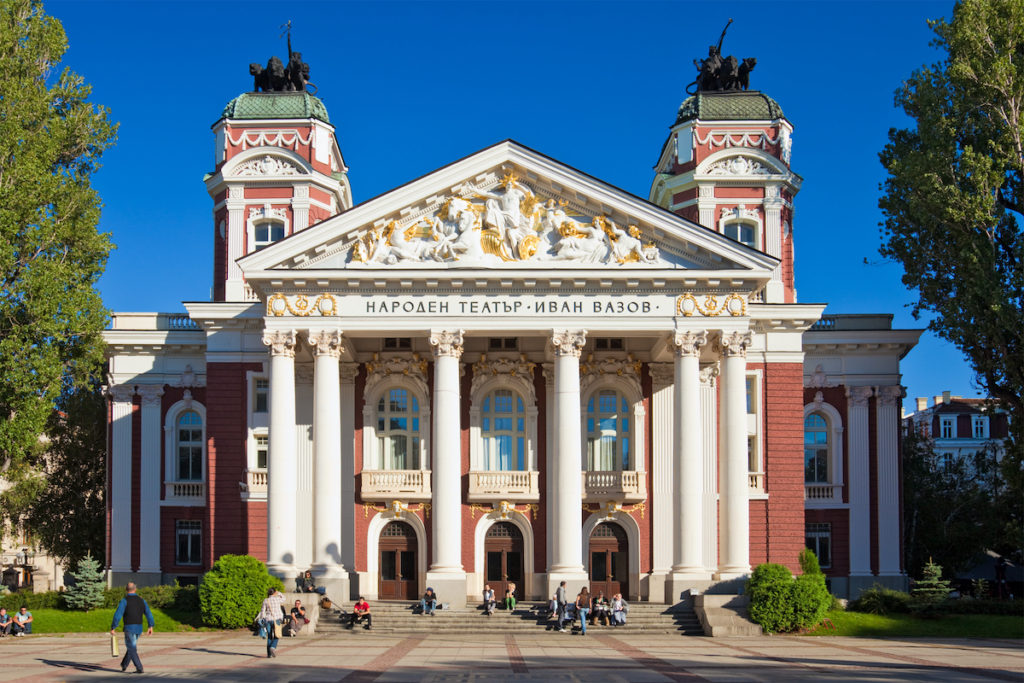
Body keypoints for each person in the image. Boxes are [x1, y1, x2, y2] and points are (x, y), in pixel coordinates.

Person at [110, 582, 155, 673]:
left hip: (129, 628)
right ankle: (124, 664)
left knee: (132, 647)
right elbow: (148, 614)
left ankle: (139, 667)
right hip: (139, 628)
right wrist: (151, 625)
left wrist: (113, 626)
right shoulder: (142, 600)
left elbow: (118, 615)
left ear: (126, 590)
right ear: (135, 589)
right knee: (131, 647)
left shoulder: (124, 600)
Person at [256, 587, 285, 658]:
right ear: (274, 592)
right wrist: (279, 593)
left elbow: (263, 611)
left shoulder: (266, 600)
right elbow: (284, 598)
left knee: (269, 636)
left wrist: (263, 619)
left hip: (268, 619)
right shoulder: (277, 599)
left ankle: (269, 654)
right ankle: (273, 647)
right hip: (276, 619)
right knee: (277, 635)